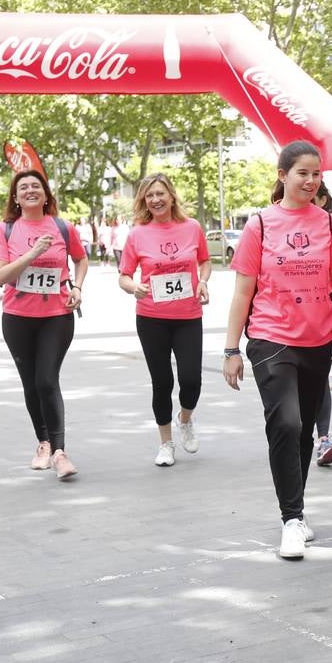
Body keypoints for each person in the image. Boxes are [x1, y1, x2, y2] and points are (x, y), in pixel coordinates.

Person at [223, 141, 332, 559]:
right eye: (302, 173)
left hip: (318, 339)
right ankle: (291, 520)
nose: (311, 181)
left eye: (316, 174)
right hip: (270, 337)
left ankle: (296, 509)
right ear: (283, 175)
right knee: (287, 425)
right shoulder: (260, 224)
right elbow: (243, 290)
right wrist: (230, 349)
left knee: (304, 430)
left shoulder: (331, 226)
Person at [0, 170, 89, 480]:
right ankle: (43, 444)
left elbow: (81, 260)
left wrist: (78, 287)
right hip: (17, 318)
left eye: (36, 186)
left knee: (47, 379)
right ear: (16, 198)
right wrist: (33, 253)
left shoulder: (62, 226)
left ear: (46, 195)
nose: (30, 191)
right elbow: (1, 276)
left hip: (56, 316)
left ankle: (60, 452)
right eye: (24, 188)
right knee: (31, 384)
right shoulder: (4, 230)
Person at [119, 173, 211, 467]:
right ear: (144, 201)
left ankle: (185, 418)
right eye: (149, 196)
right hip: (151, 318)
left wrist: (203, 282)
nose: (156, 200)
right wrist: (135, 288)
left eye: (160, 193)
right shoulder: (138, 234)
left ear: (171, 196)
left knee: (191, 380)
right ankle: (166, 444)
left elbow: (205, 262)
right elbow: (124, 276)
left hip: (187, 316)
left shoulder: (192, 227)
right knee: (162, 381)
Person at [311, 183, 332, 468]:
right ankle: (296, 432)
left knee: (320, 380)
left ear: (324, 199)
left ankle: (323, 438)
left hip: (325, 322)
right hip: (283, 330)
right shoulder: (272, 224)